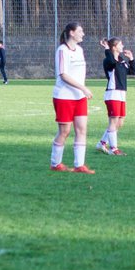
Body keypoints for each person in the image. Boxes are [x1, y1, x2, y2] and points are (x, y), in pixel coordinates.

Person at [50, 22, 95, 174]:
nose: (83, 34)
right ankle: (55, 163)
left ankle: (79, 165)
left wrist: (82, 91)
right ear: (71, 32)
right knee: (65, 131)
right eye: (80, 31)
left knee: (82, 129)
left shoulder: (80, 50)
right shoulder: (62, 50)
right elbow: (63, 75)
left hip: (79, 97)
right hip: (64, 96)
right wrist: (82, 88)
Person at [97, 38, 135, 156]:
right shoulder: (108, 60)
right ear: (114, 47)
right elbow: (112, 62)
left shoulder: (122, 60)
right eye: (120, 44)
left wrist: (131, 59)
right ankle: (113, 149)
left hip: (121, 94)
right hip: (112, 93)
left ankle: (102, 143)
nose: (122, 45)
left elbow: (132, 72)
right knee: (113, 122)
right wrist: (107, 49)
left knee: (120, 123)